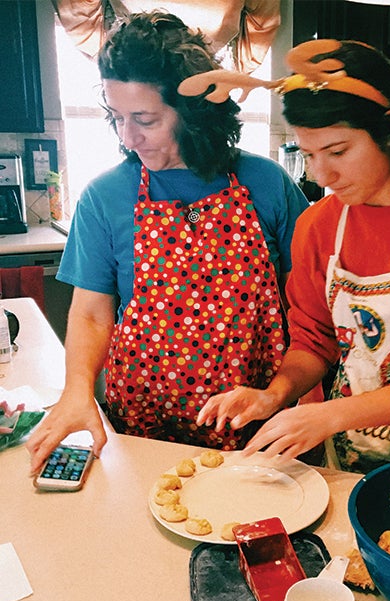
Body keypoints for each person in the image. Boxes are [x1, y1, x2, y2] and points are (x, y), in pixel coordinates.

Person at [193, 40, 390, 473]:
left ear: (388, 131)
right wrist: (275, 394)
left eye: (338, 151)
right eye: (308, 154)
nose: (321, 175)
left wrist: (330, 415)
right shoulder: (318, 227)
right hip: (352, 453)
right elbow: (314, 339)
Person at [26, 12, 308, 474]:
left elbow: (307, 302)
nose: (127, 136)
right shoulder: (105, 197)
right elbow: (93, 313)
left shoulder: (266, 183)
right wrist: (77, 391)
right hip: (143, 434)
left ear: (194, 113)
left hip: (254, 432)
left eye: (145, 119)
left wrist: (298, 392)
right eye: (117, 117)